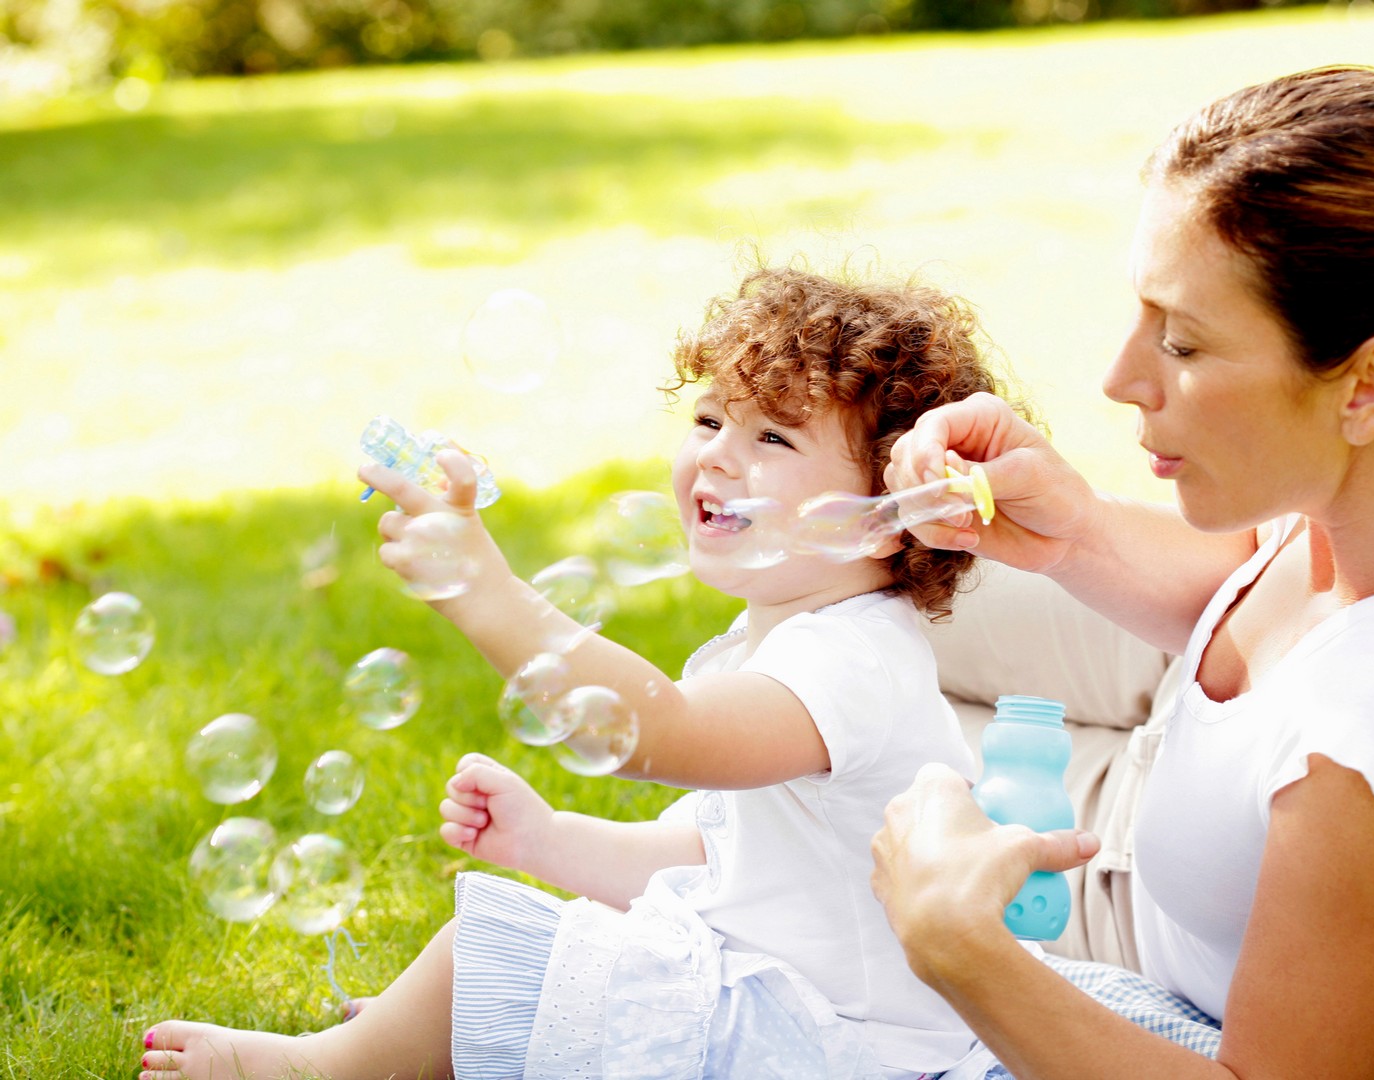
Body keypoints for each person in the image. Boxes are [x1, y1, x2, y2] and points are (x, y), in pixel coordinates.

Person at [869, 65, 1374, 1079]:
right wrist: (1074, 533)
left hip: (1139, 897)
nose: (1118, 379)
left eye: (1181, 343)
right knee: (851, 613)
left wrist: (956, 947)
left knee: (821, 716)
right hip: (1181, 791)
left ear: (1371, 385)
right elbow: (1258, 583)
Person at [139, 265, 1026, 1080]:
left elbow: (664, 732)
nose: (718, 454)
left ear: (886, 514)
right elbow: (716, 863)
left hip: (850, 1052)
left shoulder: (855, 660)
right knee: (548, 951)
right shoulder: (777, 643)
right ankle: (422, 1039)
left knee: (488, 949)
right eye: (709, 420)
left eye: (772, 436)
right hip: (794, 1019)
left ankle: (325, 1068)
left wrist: (484, 590)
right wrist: (547, 840)